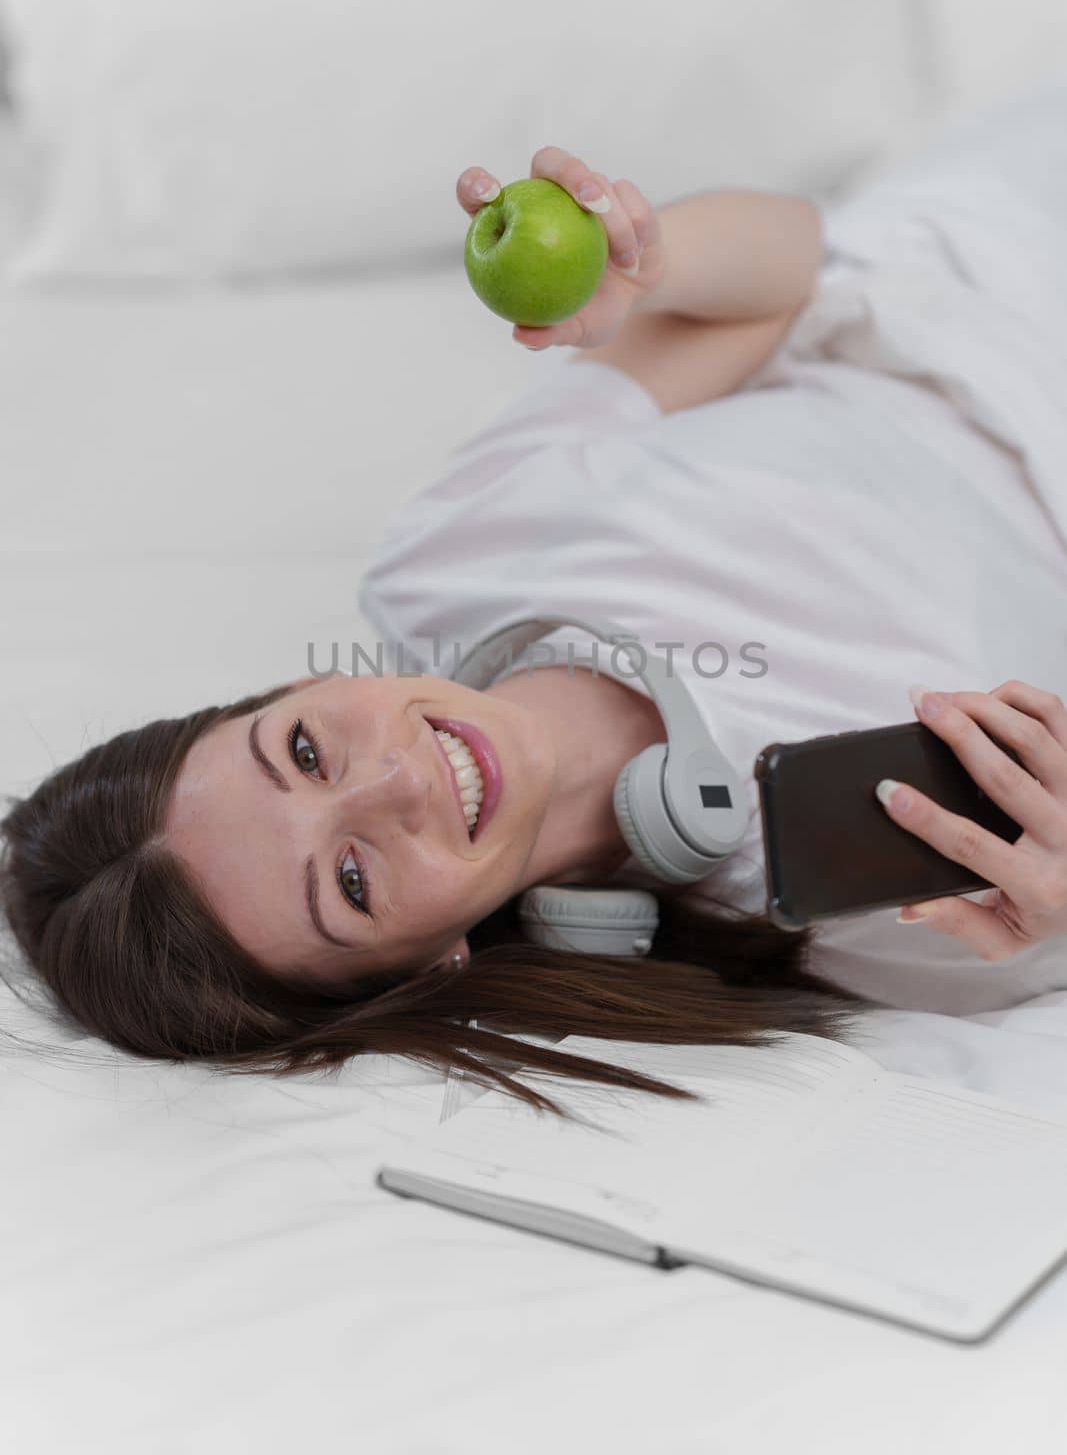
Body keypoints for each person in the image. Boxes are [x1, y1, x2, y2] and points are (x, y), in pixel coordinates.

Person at [4, 85, 1067, 1117]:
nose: (392, 780)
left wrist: (646, 270)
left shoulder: (447, 558)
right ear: (427, 965)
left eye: (305, 752)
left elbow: (792, 267)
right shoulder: (862, 901)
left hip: (994, 254)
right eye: (353, 880)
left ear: (296, 686)